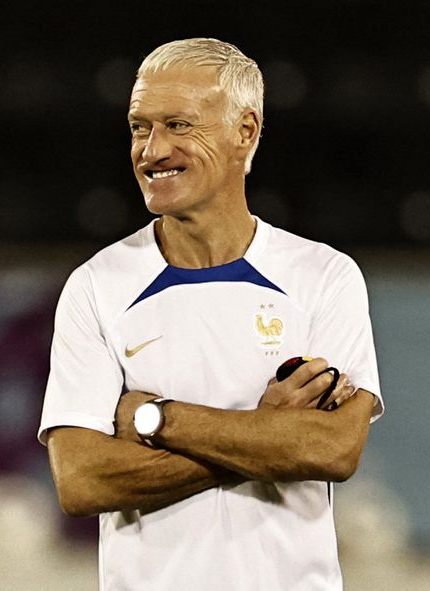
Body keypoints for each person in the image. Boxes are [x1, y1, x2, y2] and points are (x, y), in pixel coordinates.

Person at [37, 37, 384, 590]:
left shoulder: (324, 276)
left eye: (178, 125)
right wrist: (270, 438)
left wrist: (158, 421)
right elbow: (81, 480)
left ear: (244, 132)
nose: (151, 151)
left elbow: (333, 449)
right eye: (138, 127)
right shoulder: (97, 286)